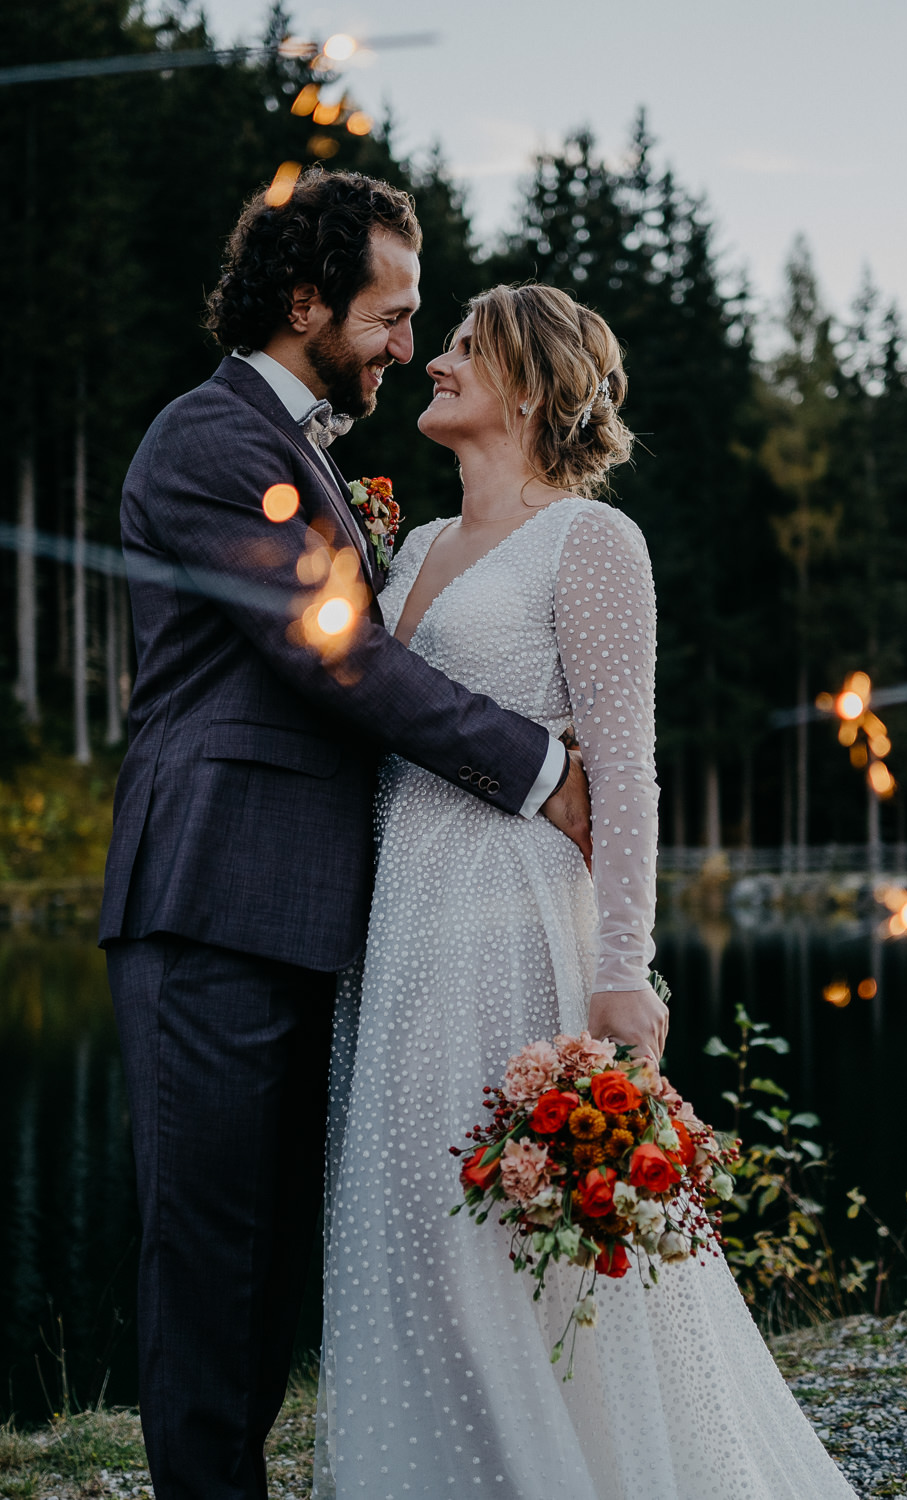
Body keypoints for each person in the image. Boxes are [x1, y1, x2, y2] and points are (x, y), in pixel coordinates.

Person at [312, 283, 858, 1499]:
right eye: (439, 343)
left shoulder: (592, 541)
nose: (434, 362)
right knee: (413, 1226)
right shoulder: (404, 552)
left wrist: (622, 967)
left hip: (512, 914)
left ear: (529, 385)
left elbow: (626, 770)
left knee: (514, 1233)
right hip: (400, 917)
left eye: (462, 349)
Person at [99, 170, 591, 1500]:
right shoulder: (212, 441)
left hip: (301, 912)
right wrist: (540, 766)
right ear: (306, 303)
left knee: (261, 1272)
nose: (402, 344)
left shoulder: (301, 450)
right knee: (208, 1269)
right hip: (211, 897)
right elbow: (342, 662)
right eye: (389, 315)